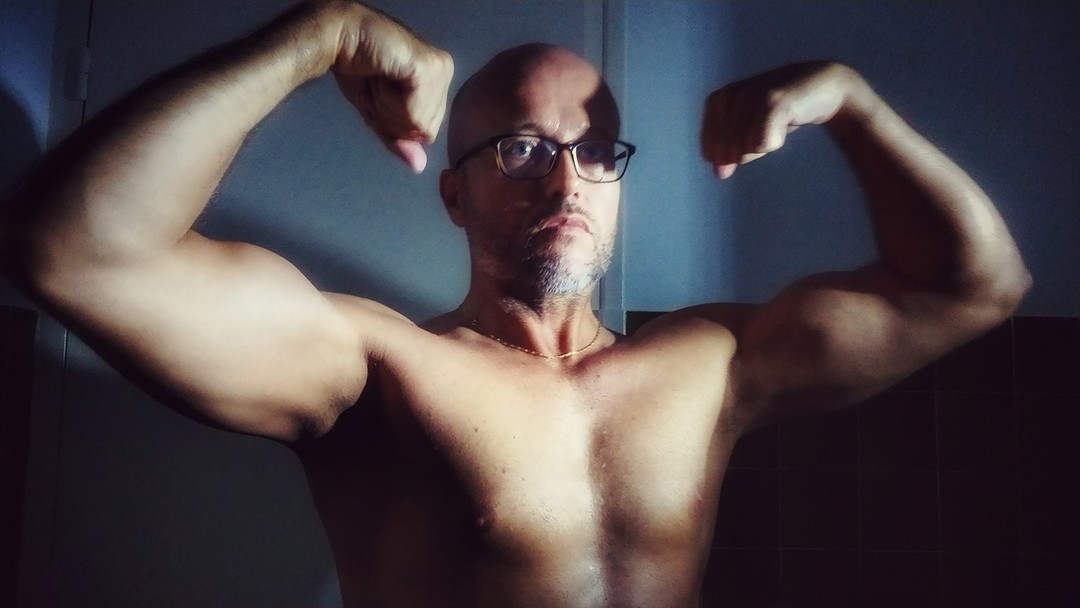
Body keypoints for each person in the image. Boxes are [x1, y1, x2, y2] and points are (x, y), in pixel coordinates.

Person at [1, 1, 1030, 606]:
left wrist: (852, 103)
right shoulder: (376, 370)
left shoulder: (711, 361)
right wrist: (319, 35)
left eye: (595, 151)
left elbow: (974, 285)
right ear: (455, 192)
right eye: (525, 149)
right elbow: (72, 250)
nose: (568, 181)